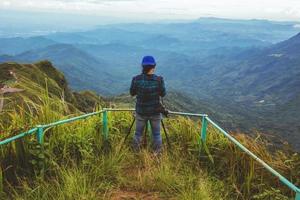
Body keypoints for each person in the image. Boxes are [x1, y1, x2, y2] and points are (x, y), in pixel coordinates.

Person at [130, 56, 166, 154]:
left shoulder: (136, 79)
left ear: (142, 66)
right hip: (155, 112)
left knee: (138, 134)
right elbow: (163, 94)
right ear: (154, 66)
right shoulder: (159, 80)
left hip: (141, 112)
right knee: (157, 135)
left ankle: (136, 153)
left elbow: (132, 93)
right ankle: (157, 154)